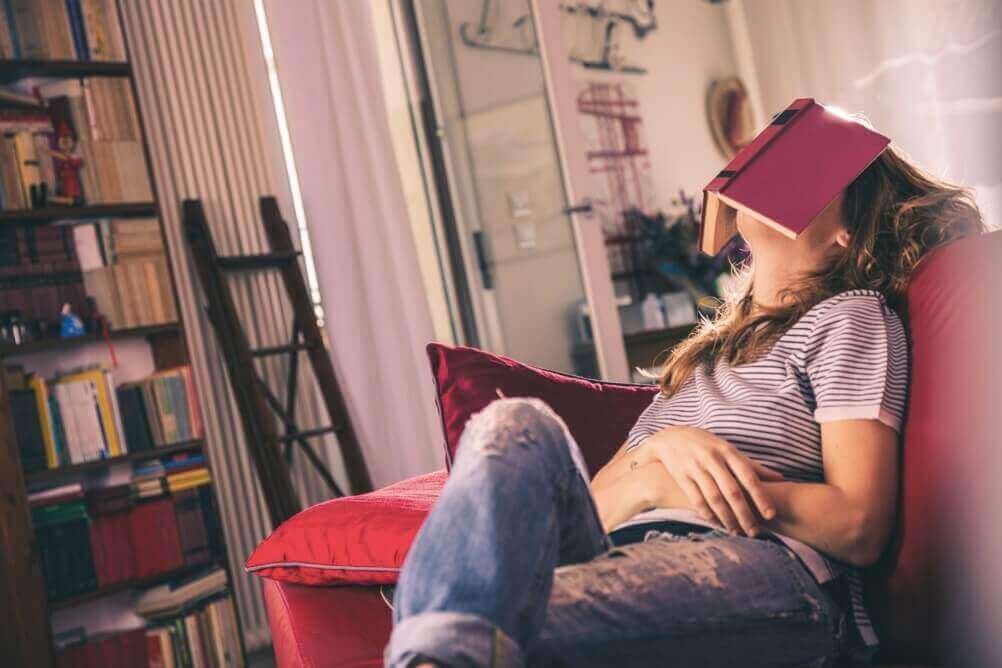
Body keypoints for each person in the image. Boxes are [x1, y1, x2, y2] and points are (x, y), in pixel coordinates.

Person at [383, 135, 985, 667]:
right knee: (513, 422)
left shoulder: (849, 318)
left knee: (496, 620)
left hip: (764, 568)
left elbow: (859, 525)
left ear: (845, 233)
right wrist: (659, 462)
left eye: (814, 174)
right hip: (618, 548)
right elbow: (599, 506)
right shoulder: (706, 357)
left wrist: (670, 485)